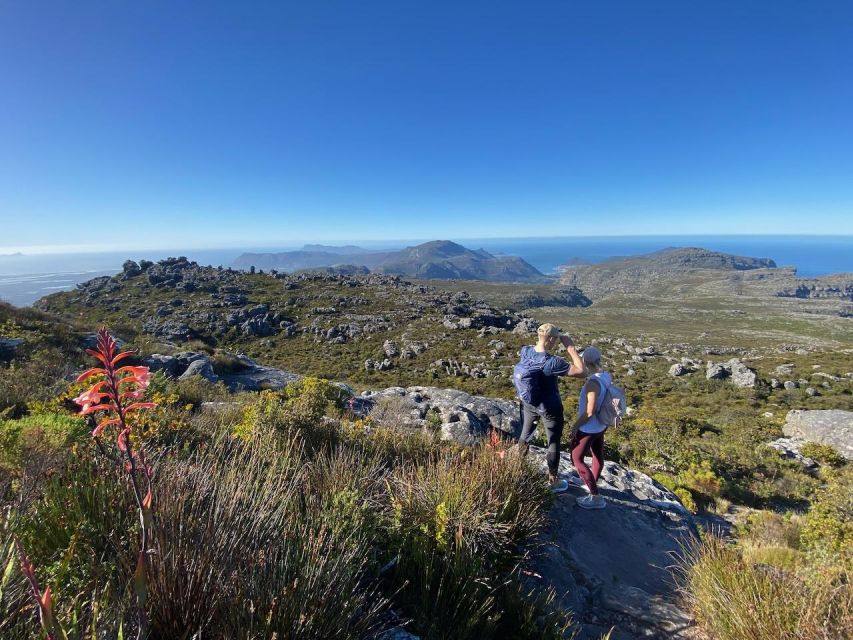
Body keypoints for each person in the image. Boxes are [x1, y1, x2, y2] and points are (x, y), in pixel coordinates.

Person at [515, 323, 585, 493]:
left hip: (529, 404)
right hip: (550, 408)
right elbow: (582, 372)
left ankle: (516, 471)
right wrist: (570, 348)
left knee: (525, 437)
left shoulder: (525, 351)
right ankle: (553, 481)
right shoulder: (551, 362)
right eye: (555, 339)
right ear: (552, 339)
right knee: (553, 443)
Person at [570, 346, 612, 509]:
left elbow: (589, 411)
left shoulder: (593, 382)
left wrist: (576, 426)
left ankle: (595, 496)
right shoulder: (606, 375)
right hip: (601, 424)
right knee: (597, 455)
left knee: (577, 459)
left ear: (586, 362)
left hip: (589, 427)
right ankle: (591, 482)